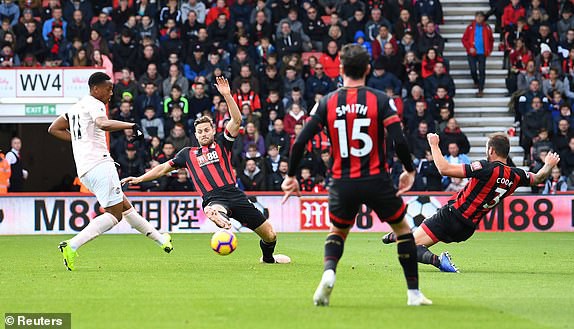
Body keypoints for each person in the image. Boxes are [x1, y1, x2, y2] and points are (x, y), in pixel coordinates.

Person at [282, 44, 431, 306]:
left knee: (337, 232)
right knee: (404, 231)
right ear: (368, 69)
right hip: (377, 180)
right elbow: (399, 140)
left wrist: (291, 175)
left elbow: (299, 141)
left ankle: (329, 273)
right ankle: (413, 294)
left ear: (340, 69)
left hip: (342, 182)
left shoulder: (326, 102)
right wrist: (408, 170)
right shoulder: (381, 100)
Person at [122, 77, 290, 265]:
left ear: (212, 131)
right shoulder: (187, 154)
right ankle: (218, 215)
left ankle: (268, 259)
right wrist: (139, 179)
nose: (203, 134)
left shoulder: (223, 144)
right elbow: (162, 169)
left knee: (270, 234)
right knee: (215, 208)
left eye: (206, 130)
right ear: (195, 135)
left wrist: (227, 95)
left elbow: (236, 120)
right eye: (200, 131)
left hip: (235, 194)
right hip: (213, 197)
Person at [48, 72, 173, 271]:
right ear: (95, 89)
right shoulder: (95, 104)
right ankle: (72, 245)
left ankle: (161, 240)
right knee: (115, 215)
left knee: (124, 206)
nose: (111, 93)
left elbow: (53, 128)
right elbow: (102, 124)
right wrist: (131, 125)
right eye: (108, 89)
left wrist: (81, 141)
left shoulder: (76, 108)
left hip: (85, 170)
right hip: (100, 165)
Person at [382, 133, 561, 272]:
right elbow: (538, 178)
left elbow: (444, 169)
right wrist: (548, 165)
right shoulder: (517, 175)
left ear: (491, 150)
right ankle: (398, 235)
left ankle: (438, 261)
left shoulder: (485, 167)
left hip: (452, 216)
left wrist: (434, 144)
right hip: (467, 229)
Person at [461, 11, 494, 97]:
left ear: (483, 18)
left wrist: (489, 50)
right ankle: (476, 81)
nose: (479, 18)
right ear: (475, 18)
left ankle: (480, 89)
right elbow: (464, 39)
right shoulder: (471, 27)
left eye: (481, 17)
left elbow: (491, 40)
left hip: (482, 53)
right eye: (477, 17)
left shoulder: (487, 27)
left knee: (482, 71)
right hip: (472, 53)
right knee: (473, 69)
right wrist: (469, 48)